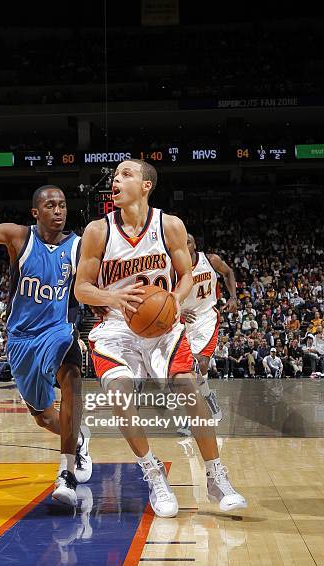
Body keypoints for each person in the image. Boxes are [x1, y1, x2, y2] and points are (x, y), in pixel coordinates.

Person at [75, 159, 246, 517]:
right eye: (115, 176)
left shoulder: (169, 225)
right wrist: (113, 297)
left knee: (187, 386)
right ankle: (153, 474)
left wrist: (173, 301)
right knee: (119, 396)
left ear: (146, 185)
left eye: (125, 174)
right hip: (116, 327)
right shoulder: (97, 231)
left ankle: (216, 476)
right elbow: (82, 289)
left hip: (161, 325)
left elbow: (186, 275)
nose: (116, 180)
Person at [0, 186, 92, 507]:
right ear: (36, 213)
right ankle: (78, 438)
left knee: (73, 375)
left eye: (62, 205)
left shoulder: (78, 246)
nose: (58, 211)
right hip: (22, 339)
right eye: (50, 206)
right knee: (43, 416)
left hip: (58, 331)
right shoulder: (19, 237)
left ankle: (65, 473)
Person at [180, 234, 238, 421]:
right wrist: (176, 312)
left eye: (188, 241)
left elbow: (228, 272)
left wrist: (233, 297)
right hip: (181, 320)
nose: (184, 245)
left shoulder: (211, 260)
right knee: (182, 372)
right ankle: (207, 396)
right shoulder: (172, 267)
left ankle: (193, 416)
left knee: (199, 363)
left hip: (205, 317)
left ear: (195, 243)